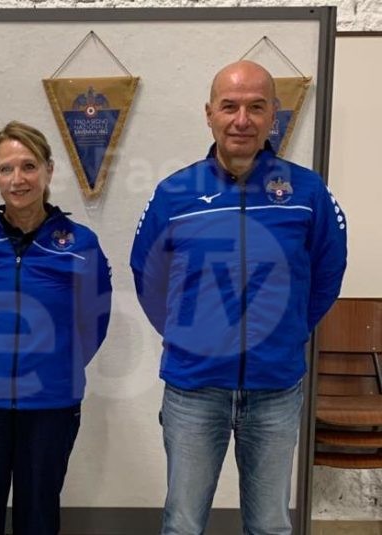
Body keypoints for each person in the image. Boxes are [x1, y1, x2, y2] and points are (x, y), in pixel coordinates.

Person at [130, 61, 347, 534]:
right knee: (182, 524)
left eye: (256, 107)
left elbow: (327, 273)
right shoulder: (174, 192)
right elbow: (147, 275)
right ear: (209, 114)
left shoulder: (308, 191)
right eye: (229, 107)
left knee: (269, 525)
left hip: (275, 389)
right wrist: (188, 334)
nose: (241, 120)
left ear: (274, 116)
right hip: (194, 388)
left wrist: (288, 331)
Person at [0, 121, 112, 535]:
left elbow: (94, 321)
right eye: (6, 168)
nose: (18, 179)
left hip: (50, 405)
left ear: (49, 170)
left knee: (39, 516)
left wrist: (57, 364)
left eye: (29, 166)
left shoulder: (81, 243)